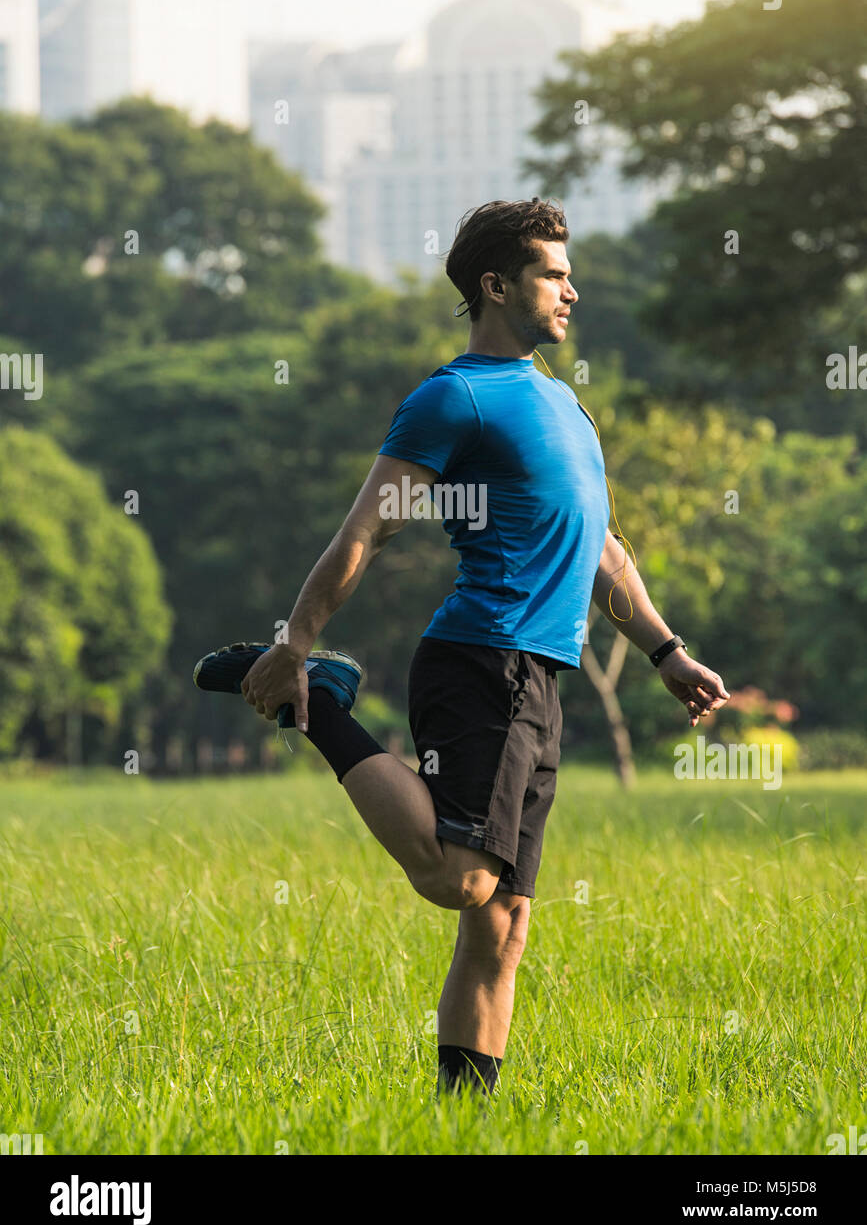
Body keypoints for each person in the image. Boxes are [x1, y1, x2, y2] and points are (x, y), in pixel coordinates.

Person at [200, 197, 730, 1100]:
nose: (572, 291)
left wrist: (664, 649)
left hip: (541, 673)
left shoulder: (566, 407)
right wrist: (294, 643)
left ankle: (463, 1120)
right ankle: (322, 702)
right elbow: (364, 532)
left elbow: (604, 547)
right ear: (496, 285)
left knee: (505, 922)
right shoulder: (456, 397)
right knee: (460, 882)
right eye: (552, 275)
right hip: (482, 657)